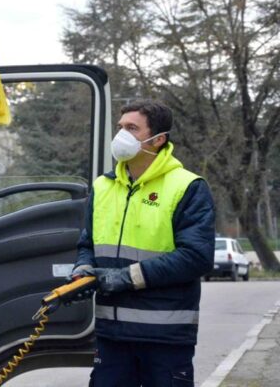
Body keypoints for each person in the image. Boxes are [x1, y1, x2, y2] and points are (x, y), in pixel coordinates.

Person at [70, 100, 215, 386]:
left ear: (158, 139)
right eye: (120, 127)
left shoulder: (187, 186)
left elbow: (196, 257)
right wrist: (83, 269)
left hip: (164, 336)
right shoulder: (103, 187)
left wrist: (125, 277)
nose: (120, 135)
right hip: (112, 336)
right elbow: (87, 243)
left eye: (132, 128)